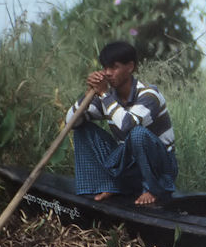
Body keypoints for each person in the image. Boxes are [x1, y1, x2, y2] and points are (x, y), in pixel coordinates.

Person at [65, 41, 177, 205]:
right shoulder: (109, 97)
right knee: (83, 129)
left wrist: (103, 94)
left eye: (114, 67)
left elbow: (127, 125)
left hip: (161, 168)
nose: (108, 73)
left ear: (130, 67)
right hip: (131, 166)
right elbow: (71, 122)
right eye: (105, 68)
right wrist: (89, 94)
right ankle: (110, 185)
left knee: (137, 134)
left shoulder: (149, 94)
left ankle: (152, 189)